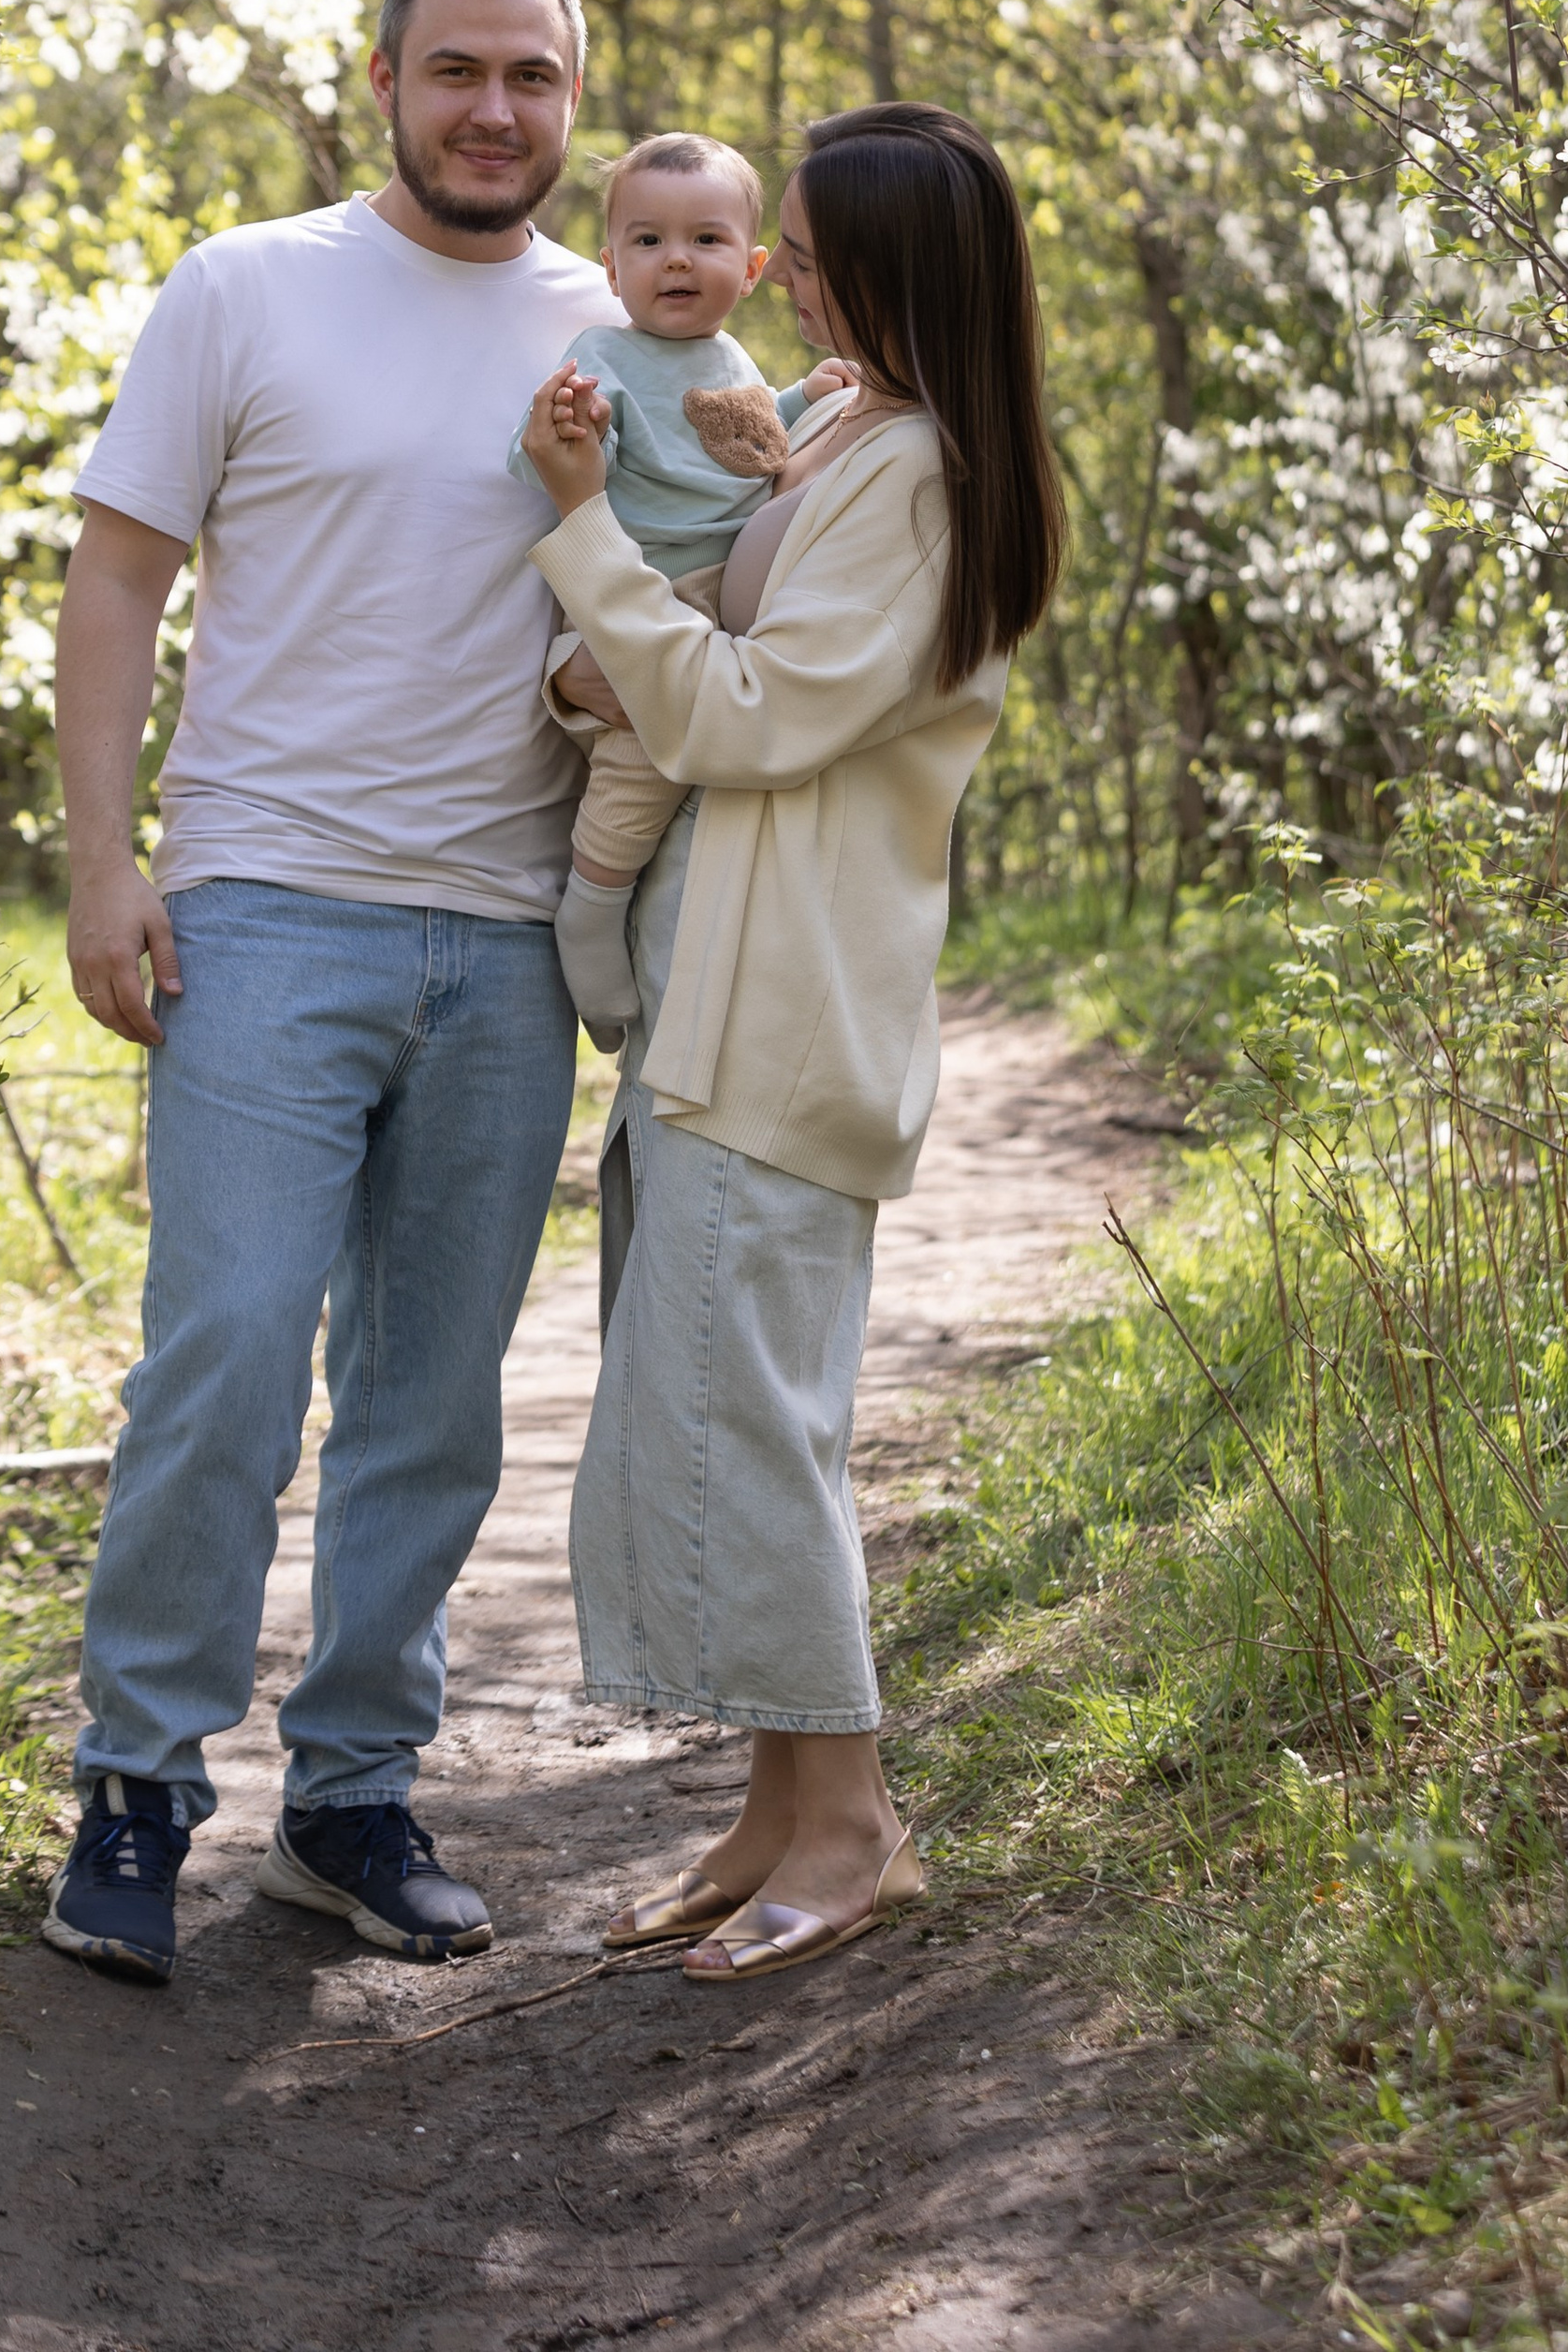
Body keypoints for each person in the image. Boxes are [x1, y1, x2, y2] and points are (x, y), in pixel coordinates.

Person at [43, 0, 608, 1987]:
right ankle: (134, 1783)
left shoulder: (617, 325)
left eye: (528, 75)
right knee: (223, 1350)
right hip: (265, 911)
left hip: (509, 934)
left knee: (431, 1396)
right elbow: (116, 582)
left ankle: (353, 1791)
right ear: (385, 82)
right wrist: (108, 870)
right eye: (454, 69)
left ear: (572, 89)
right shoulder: (246, 287)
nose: (491, 109)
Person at [518, 103, 1064, 1991]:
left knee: (748, 1417)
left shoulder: (919, 475)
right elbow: (685, 648)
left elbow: (741, 714)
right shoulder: (839, 428)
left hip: (785, 997)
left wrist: (585, 538)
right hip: (706, 981)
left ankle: (848, 1828)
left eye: (819, 254)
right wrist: (610, 623)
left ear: (898, 272)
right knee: (703, 1392)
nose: (786, 282)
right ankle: (769, 1805)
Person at [506, 131, 841, 1038]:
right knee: (645, 765)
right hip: (651, 600)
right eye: (647, 241)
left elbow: (747, 442)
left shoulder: (731, 362)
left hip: (728, 602)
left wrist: (805, 398)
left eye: (706, 239)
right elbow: (540, 457)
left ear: (753, 264)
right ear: (611, 266)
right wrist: (584, 429)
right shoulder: (603, 355)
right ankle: (591, 899)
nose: (676, 259)